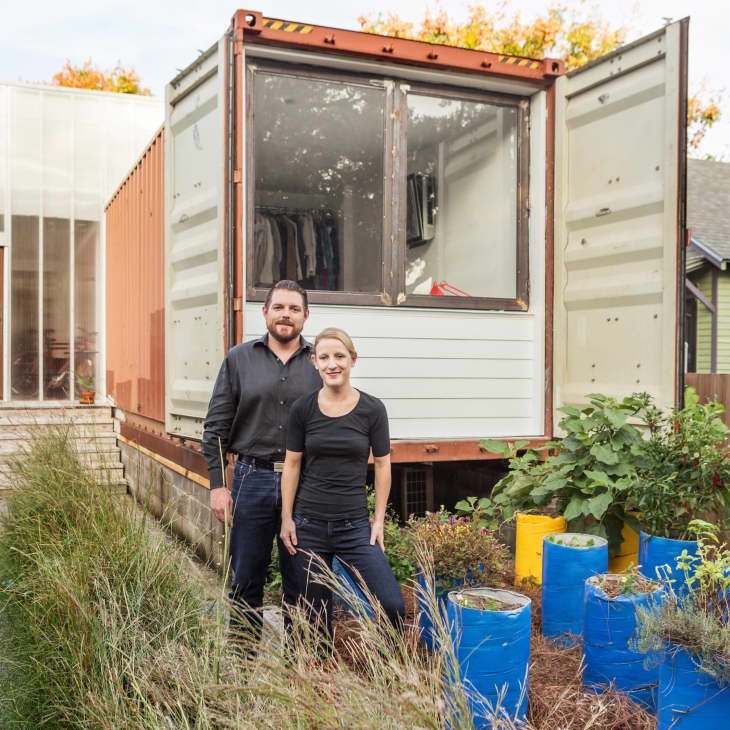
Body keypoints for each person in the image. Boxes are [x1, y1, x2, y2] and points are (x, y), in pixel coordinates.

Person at [202, 280, 322, 642]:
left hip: (305, 485)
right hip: (251, 480)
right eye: (280, 307)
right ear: (265, 312)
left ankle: (300, 666)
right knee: (246, 577)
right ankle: (242, 660)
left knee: (302, 580)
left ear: (305, 316)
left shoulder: (321, 362)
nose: (286, 314)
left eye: (295, 309)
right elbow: (216, 428)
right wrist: (219, 486)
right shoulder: (239, 359)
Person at [279, 327, 405, 636]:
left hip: (354, 527)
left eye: (339, 356)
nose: (332, 364)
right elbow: (292, 464)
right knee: (315, 616)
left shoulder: (372, 410)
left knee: (392, 605)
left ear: (352, 360)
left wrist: (378, 521)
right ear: (315, 363)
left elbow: (383, 465)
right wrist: (286, 519)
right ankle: (320, 677)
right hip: (309, 526)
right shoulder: (303, 409)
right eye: (324, 357)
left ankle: (389, 671)